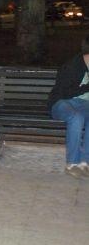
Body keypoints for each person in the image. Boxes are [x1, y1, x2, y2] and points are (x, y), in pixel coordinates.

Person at [48, 35, 89, 179]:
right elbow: (63, 92)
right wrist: (86, 87)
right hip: (62, 103)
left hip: (84, 105)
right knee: (76, 117)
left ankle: (85, 163)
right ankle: (72, 164)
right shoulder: (72, 66)